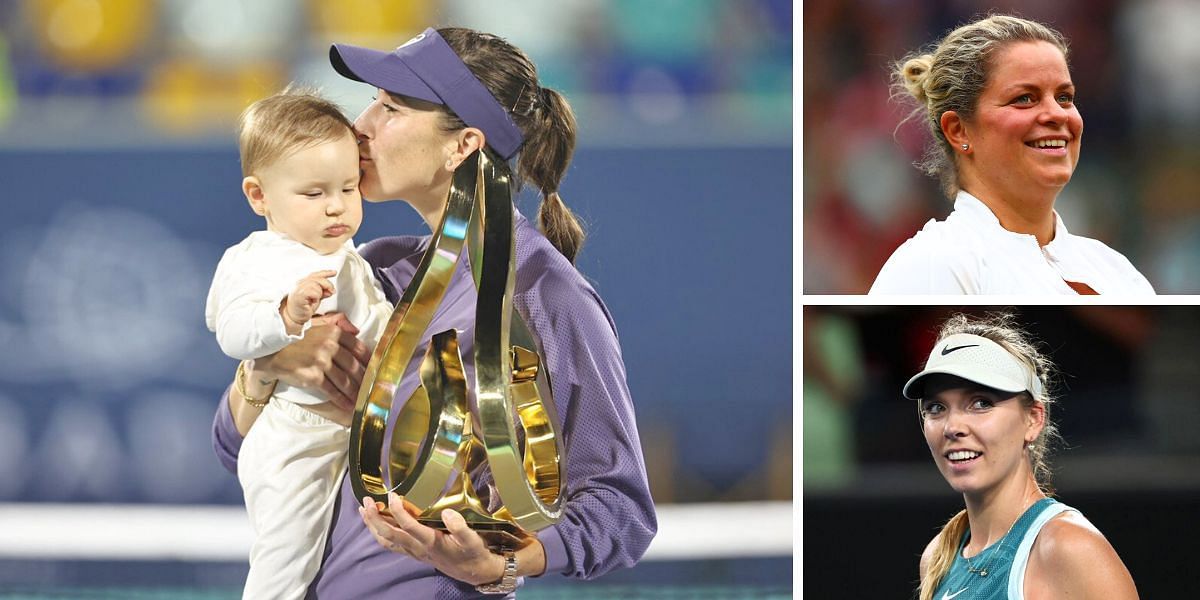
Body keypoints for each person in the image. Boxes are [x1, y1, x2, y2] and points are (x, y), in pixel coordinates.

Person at [211, 26, 657, 597]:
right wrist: (267, 368)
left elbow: (620, 508)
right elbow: (231, 446)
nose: (361, 125)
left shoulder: (549, 295)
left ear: (462, 145)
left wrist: (505, 565)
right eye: (371, 101)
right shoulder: (373, 269)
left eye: (390, 107)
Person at [205, 87, 393, 599]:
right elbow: (231, 330)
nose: (336, 207)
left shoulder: (350, 255)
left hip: (353, 435)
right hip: (295, 437)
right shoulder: (258, 259)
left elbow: (378, 321)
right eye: (313, 194)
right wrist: (285, 318)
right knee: (286, 558)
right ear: (258, 196)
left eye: (349, 188)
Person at [869, 15, 1155, 295]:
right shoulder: (933, 265)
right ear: (958, 130)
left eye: (1064, 97)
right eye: (1024, 98)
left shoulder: (1117, 271)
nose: (1057, 113)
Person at [905, 313, 1138, 599]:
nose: (953, 427)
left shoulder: (1069, 548)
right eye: (936, 408)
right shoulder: (938, 556)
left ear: (1033, 419)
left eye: (981, 403)